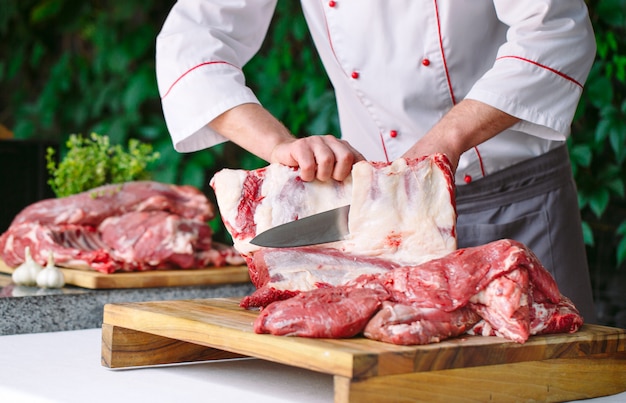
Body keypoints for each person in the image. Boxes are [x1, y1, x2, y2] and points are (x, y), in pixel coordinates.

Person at [156, 1, 598, 322]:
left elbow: (554, 30)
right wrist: (279, 147)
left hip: (516, 204)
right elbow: (191, 40)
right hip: (379, 233)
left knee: (552, 378)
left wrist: (448, 139)